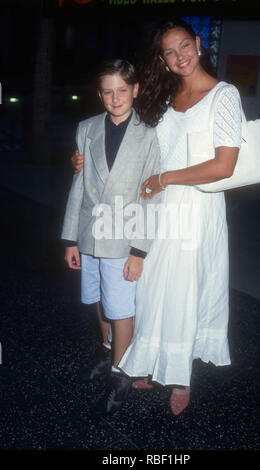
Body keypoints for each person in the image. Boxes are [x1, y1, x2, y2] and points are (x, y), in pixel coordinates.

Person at [72, 19, 242, 416]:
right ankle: (148, 361)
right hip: (153, 208)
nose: (180, 55)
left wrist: (165, 178)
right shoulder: (164, 98)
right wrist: (83, 157)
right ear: (163, 59)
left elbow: (224, 166)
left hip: (195, 208)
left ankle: (181, 377)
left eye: (185, 45)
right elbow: (129, 145)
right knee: (148, 290)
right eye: (170, 51)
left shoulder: (224, 95)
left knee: (183, 290)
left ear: (198, 44)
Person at [61, 59, 160, 414]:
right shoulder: (86, 128)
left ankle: (122, 372)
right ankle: (108, 352)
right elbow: (79, 185)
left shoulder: (149, 133)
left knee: (121, 308)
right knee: (99, 298)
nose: (115, 97)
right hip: (89, 233)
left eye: (122, 89)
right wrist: (70, 238)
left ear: (135, 90)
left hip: (124, 235)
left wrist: (139, 250)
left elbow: (152, 195)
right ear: (99, 94)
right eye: (107, 91)